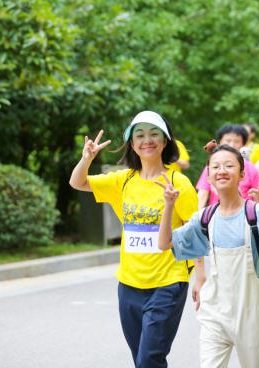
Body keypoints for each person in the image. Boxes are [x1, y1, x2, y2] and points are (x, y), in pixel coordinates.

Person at [69, 111, 202, 368]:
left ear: (165, 142)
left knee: (149, 358)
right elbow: (78, 182)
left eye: (154, 134)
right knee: (140, 359)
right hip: (129, 283)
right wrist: (87, 158)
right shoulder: (123, 180)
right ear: (132, 144)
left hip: (168, 282)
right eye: (139, 135)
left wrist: (201, 275)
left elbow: (195, 231)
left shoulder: (179, 183)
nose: (147, 140)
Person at [157, 143, 259, 368]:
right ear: (208, 176)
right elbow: (165, 243)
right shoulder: (205, 217)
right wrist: (169, 205)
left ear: (242, 174)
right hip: (215, 314)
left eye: (229, 165)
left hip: (253, 314)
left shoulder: (255, 212)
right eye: (215, 166)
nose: (221, 170)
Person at [196, 124, 259, 209]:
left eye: (237, 141)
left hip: (245, 217)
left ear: (243, 144)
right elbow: (202, 194)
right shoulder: (211, 166)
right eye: (228, 141)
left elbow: (258, 197)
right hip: (215, 216)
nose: (232, 145)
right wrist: (198, 218)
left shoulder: (251, 169)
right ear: (220, 142)